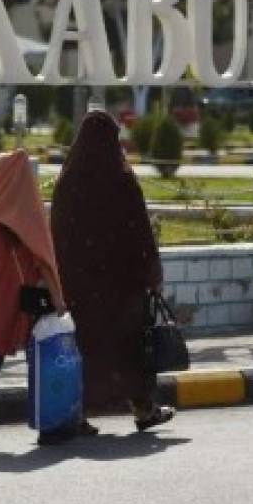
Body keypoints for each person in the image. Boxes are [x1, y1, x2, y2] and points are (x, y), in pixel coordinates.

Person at [50, 111, 175, 432]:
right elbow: (140, 230)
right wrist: (152, 272)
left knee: (86, 348)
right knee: (128, 348)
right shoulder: (122, 179)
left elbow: (57, 234)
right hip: (121, 285)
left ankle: (78, 414)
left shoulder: (67, 181)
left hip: (78, 284)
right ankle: (144, 409)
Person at [0, 150, 69, 451]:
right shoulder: (31, 218)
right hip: (34, 304)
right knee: (43, 364)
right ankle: (50, 423)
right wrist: (58, 299)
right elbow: (45, 260)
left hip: (1, 303)